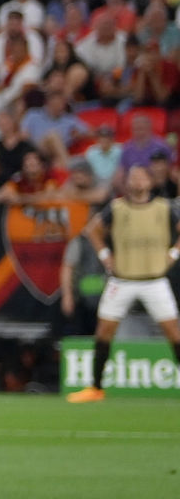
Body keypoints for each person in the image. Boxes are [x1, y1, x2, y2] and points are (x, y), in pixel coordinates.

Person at [67, 166, 180, 403]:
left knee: (173, 332)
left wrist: (174, 254)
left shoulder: (164, 207)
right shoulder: (116, 208)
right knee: (104, 332)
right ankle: (96, 388)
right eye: (133, 177)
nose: (137, 181)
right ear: (127, 183)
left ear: (149, 182)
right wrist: (106, 255)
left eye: (141, 176)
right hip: (122, 280)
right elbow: (92, 230)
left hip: (154, 279)